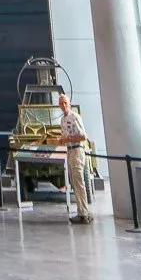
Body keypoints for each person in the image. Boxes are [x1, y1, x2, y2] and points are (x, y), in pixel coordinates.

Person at [58, 93, 92, 223]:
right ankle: (81, 212)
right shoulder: (63, 120)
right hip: (70, 151)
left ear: (69, 104)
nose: (64, 106)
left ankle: (84, 213)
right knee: (74, 182)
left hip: (77, 150)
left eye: (65, 103)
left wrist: (68, 139)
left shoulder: (75, 117)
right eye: (61, 103)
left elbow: (83, 136)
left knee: (79, 182)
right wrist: (62, 140)